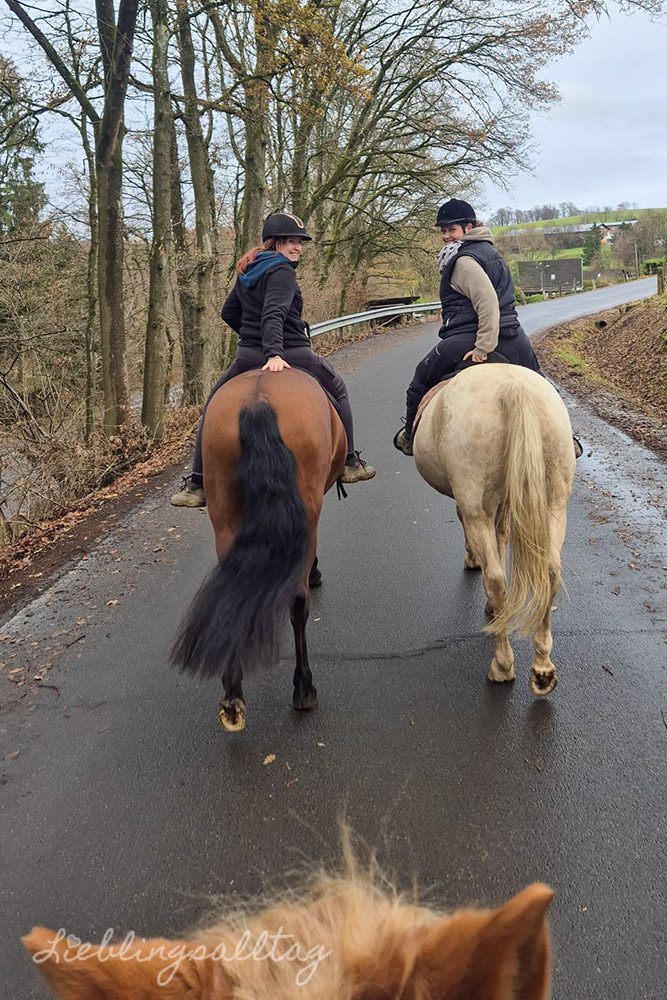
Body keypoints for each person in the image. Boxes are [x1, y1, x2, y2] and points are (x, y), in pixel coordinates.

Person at [171, 212, 375, 507]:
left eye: (300, 243)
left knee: (213, 404)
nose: (298, 248)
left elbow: (229, 312)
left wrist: (252, 339)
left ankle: (197, 482)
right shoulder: (281, 271)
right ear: (275, 243)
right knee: (338, 388)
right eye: (291, 242)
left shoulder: (249, 269)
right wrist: (274, 352)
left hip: (247, 354)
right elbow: (274, 313)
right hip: (290, 350)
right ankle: (350, 462)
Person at [393, 199, 582, 457]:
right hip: (513, 336)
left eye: (452, 230)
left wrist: (483, 347)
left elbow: (487, 302)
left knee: (420, 380)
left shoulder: (463, 261)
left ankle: (410, 437)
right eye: (443, 231)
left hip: (469, 337)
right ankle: (567, 437)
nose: (446, 236)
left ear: (468, 228)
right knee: (542, 382)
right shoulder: (491, 252)